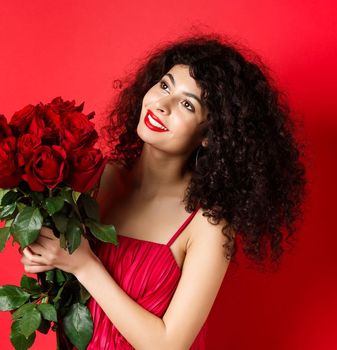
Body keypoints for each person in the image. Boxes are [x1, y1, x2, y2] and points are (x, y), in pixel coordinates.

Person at [17, 32, 307, 349]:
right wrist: (43, 254)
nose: (162, 105)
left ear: (211, 136)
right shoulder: (95, 178)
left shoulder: (208, 225)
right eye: (165, 85)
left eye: (186, 104)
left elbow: (169, 345)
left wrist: (85, 266)